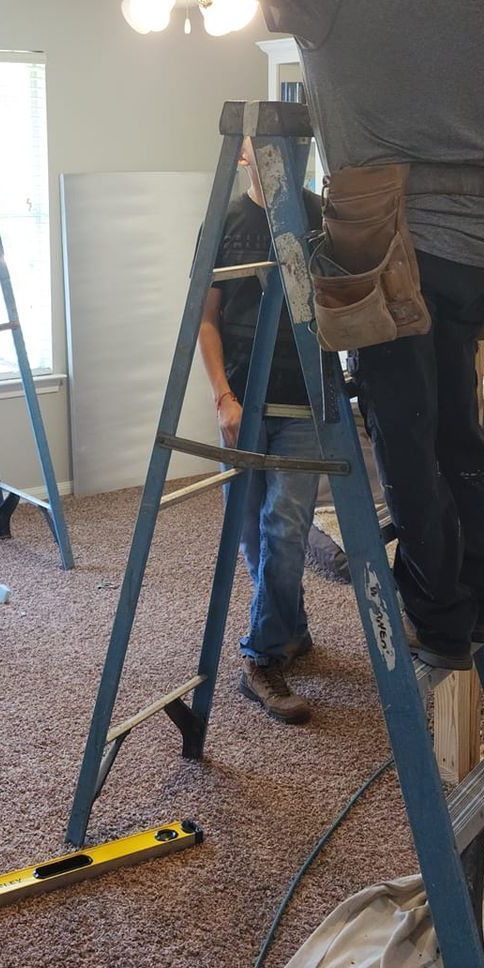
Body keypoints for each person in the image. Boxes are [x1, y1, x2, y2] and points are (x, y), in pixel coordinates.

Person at [143, 0, 484, 671]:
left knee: (407, 429)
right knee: (456, 419)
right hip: (481, 241)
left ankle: (441, 614)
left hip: (386, 244)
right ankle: (473, 595)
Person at [197, 140, 328, 723]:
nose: (276, 161)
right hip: (243, 403)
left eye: (288, 152)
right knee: (250, 529)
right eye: (263, 151)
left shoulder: (320, 218)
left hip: (303, 399)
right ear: (246, 157)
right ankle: (290, 627)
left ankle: (262, 657)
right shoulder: (224, 221)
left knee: (285, 526)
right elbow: (206, 317)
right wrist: (223, 396)